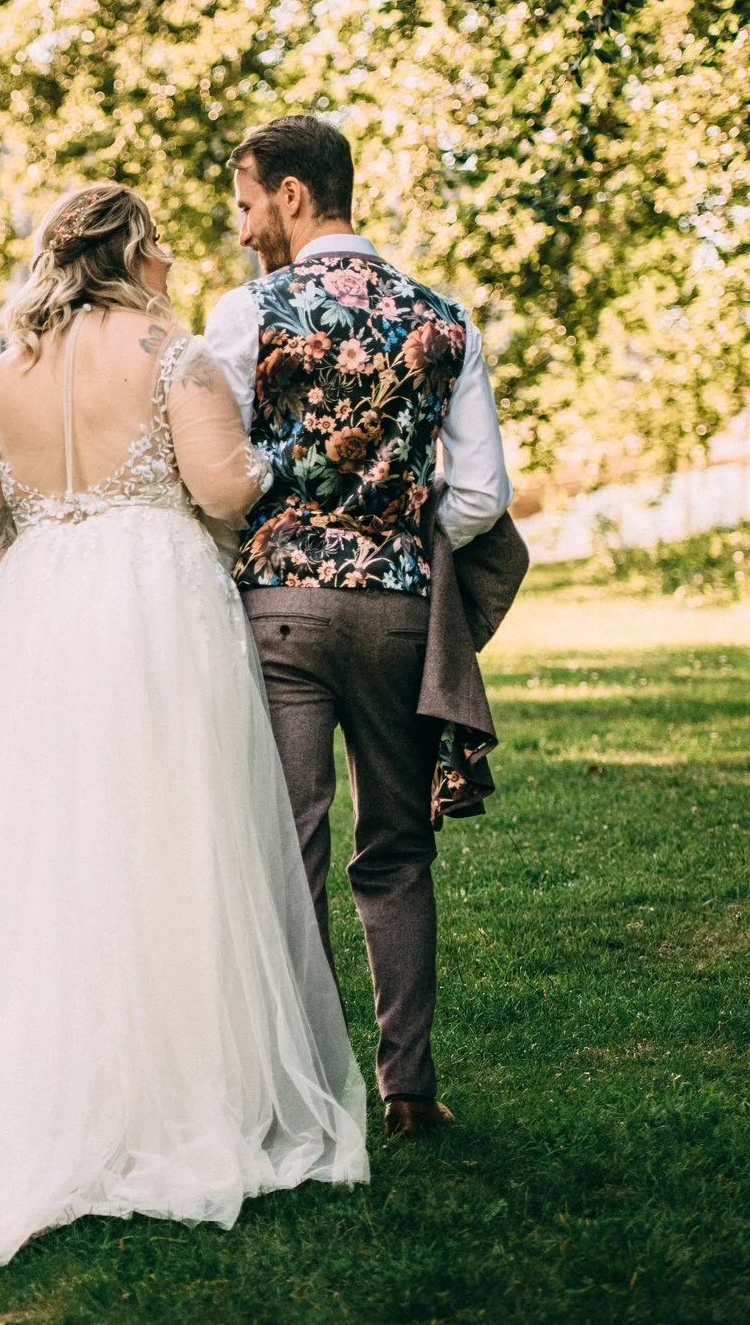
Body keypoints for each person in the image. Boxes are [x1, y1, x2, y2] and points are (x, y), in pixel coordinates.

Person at [0, 183, 369, 1275]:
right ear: (133, 253)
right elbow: (225, 489)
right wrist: (287, 456)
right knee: (167, 831)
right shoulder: (172, 352)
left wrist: (48, 577)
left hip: (38, 608)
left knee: (35, 846)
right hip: (153, 596)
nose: (178, 264)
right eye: (165, 247)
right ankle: (169, 1090)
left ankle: (23, 1081)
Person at [203, 116, 514, 1141]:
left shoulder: (246, 313)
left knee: (287, 846)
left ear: (293, 194)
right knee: (395, 849)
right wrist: (394, 525)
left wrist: (285, 521)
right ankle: (409, 1087)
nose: (245, 227)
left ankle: (297, 1090)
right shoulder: (444, 319)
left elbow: (216, 468)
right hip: (394, 613)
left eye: (248, 201)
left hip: (279, 611)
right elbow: (478, 494)